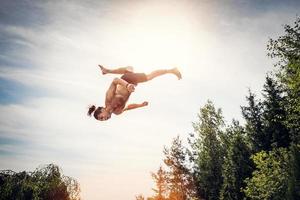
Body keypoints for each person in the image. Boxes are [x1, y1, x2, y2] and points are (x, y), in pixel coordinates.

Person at [87, 65, 182, 121]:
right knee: (129, 69)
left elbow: (115, 80)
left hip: (126, 81)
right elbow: (128, 107)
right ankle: (107, 70)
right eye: (102, 120)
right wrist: (140, 105)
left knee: (148, 77)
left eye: (101, 117)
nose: (104, 120)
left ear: (102, 110)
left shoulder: (108, 99)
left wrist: (127, 85)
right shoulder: (118, 112)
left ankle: (172, 70)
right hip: (131, 84)